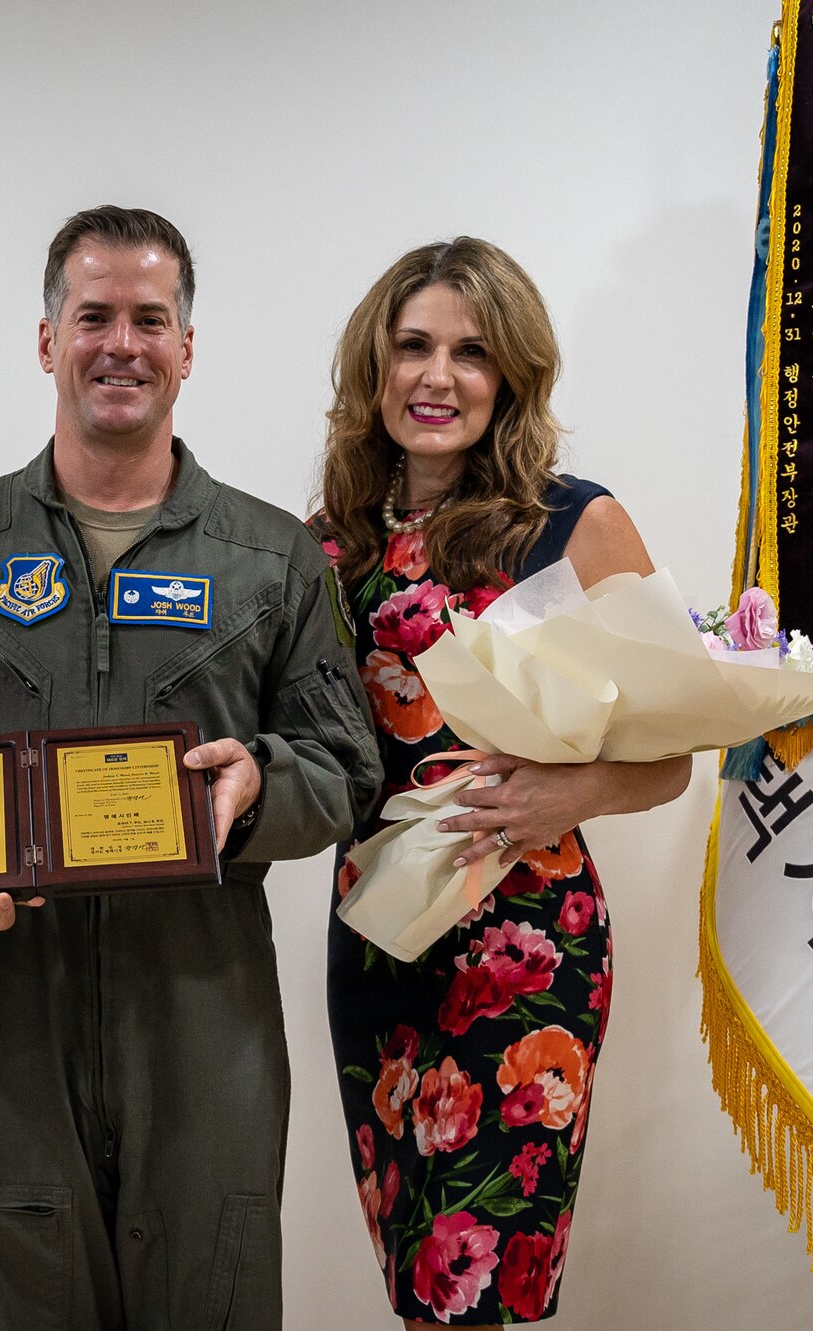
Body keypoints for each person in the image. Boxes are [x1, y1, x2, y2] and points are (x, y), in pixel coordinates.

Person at [0, 204, 382, 1330]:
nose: (121, 342)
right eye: (92, 314)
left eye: (148, 318)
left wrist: (254, 785)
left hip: (204, 1018)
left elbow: (345, 765)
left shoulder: (268, 558)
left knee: (213, 1288)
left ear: (186, 349)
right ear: (46, 339)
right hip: (11, 1017)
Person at [309, 238, 691, 1328]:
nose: (437, 376)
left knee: (475, 1280)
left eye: (470, 352)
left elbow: (672, 751)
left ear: (511, 374)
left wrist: (568, 796)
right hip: (373, 934)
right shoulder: (322, 546)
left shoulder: (575, 524)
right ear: (372, 368)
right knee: (414, 1275)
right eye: (412, 346)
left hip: (524, 939)